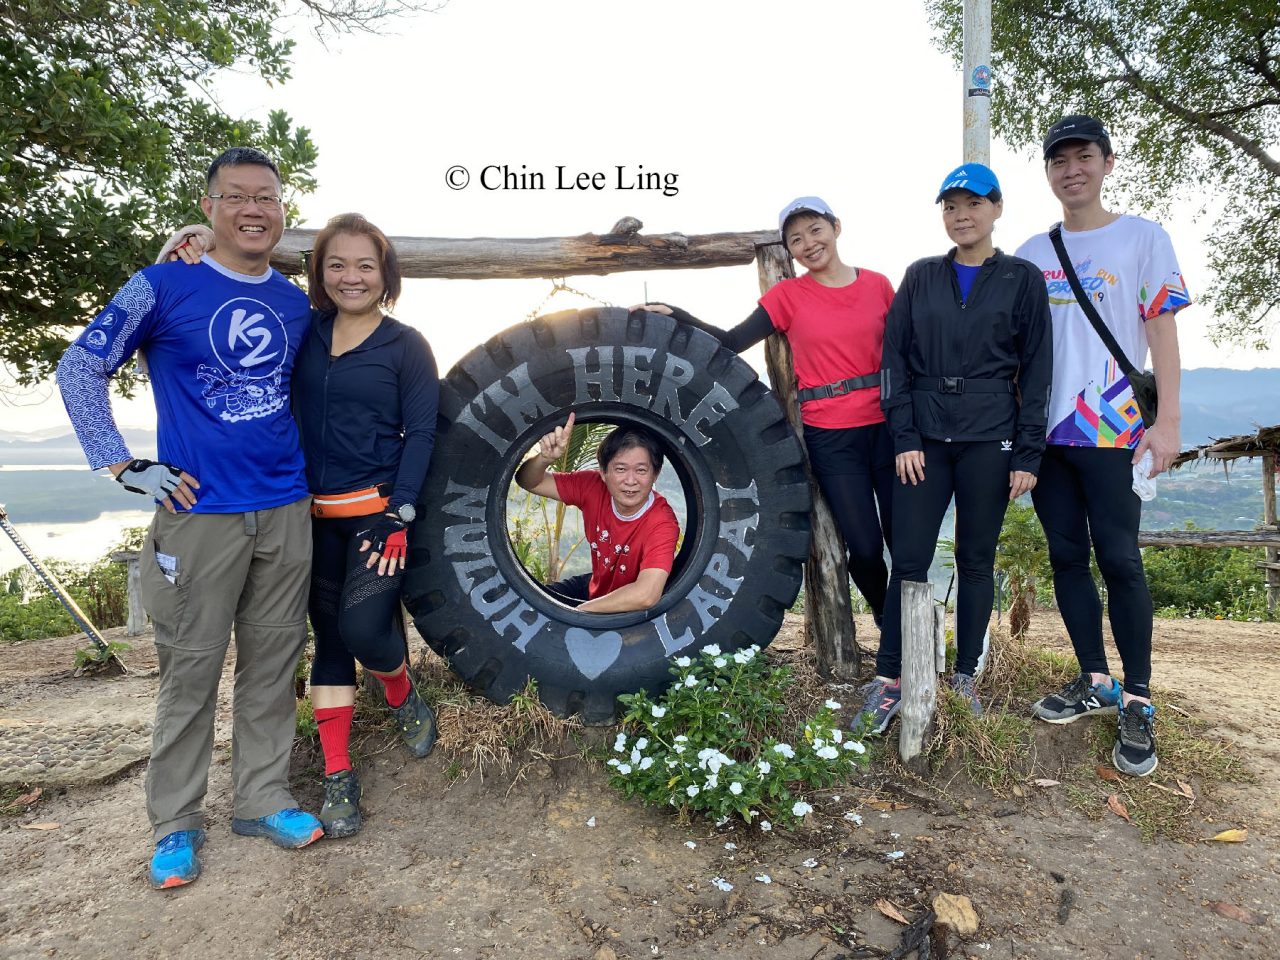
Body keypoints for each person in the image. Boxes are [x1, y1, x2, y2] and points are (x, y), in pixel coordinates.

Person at [55, 147, 325, 890]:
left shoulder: (297, 304)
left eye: (265, 197)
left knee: (273, 666)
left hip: (285, 509)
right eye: (235, 196)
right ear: (208, 207)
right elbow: (80, 366)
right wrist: (120, 462)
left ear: (280, 210)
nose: (252, 209)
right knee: (190, 673)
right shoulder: (160, 283)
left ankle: (263, 798)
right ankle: (175, 822)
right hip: (195, 514)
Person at [159, 214, 441, 838]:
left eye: (365, 265)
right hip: (305, 517)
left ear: (385, 274)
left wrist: (402, 513)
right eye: (336, 264)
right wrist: (198, 237)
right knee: (331, 643)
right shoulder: (301, 331)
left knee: (366, 630)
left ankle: (399, 692)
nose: (351, 277)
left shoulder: (406, 345)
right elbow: (240, 276)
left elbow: (421, 433)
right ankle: (339, 774)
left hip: (378, 519)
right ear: (318, 273)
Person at [1015, 115, 1189, 777]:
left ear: (1107, 162)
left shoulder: (1142, 238)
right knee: (1066, 557)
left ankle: (1138, 697)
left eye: (1084, 156)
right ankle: (1095, 679)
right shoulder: (1034, 251)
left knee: (1119, 559)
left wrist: (1166, 422)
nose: (1072, 169)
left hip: (1114, 426)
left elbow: (1162, 332)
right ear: (1050, 173)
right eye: (1059, 160)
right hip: (1047, 434)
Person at [635, 196, 896, 627]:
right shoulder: (789, 295)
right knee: (865, 548)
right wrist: (675, 314)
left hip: (888, 428)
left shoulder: (878, 285)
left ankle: (912, 638)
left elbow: (906, 352)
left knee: (905, 544)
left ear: (836, 227)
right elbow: (732, 340)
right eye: (796, 238)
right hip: (832, 433)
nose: (809, 243)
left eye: (815, 230)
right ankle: (889, 622)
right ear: (789, 250)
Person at [858, 163, 1052, 733]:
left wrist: (1028, 454)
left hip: (990, 438)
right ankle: (888, 677)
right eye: (949, 206)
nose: (961, 216)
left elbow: (1038, 370)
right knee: (909, 561)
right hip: (922, 441)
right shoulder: (919, 277)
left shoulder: (1021, 279)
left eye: (972, 204)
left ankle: (965, 675)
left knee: (975, 560)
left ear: (996, 209)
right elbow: (892, 361)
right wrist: (904, 436)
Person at [515, 415, 679, 613]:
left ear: (655, 474)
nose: (630, 480)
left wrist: (577, 614)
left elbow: (646, 595)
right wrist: (544, 459)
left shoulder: (662, 522)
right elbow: (528, 481)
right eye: (620, 469)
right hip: (595, 586)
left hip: (628, 607)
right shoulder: (591, 485)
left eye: (641, 470)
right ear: (603, 472)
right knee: (526, 606)